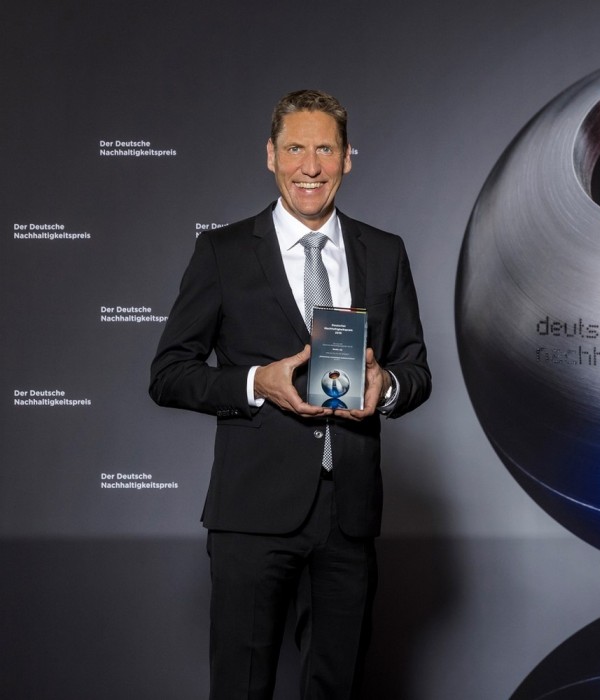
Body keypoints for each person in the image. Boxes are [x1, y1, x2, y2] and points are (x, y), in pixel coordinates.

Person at [149, 89, 431, 698]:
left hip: (348, 514)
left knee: (338, 686)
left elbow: (416, 369)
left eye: (325, 149)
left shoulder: (384, 252)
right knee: (241, 686)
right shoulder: (223, 252)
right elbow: (169, 373)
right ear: (271, 155)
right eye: (296, 149)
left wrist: (385, 386)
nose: (310, 166)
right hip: (252, 512)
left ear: (347, 158)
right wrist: (257, 382)